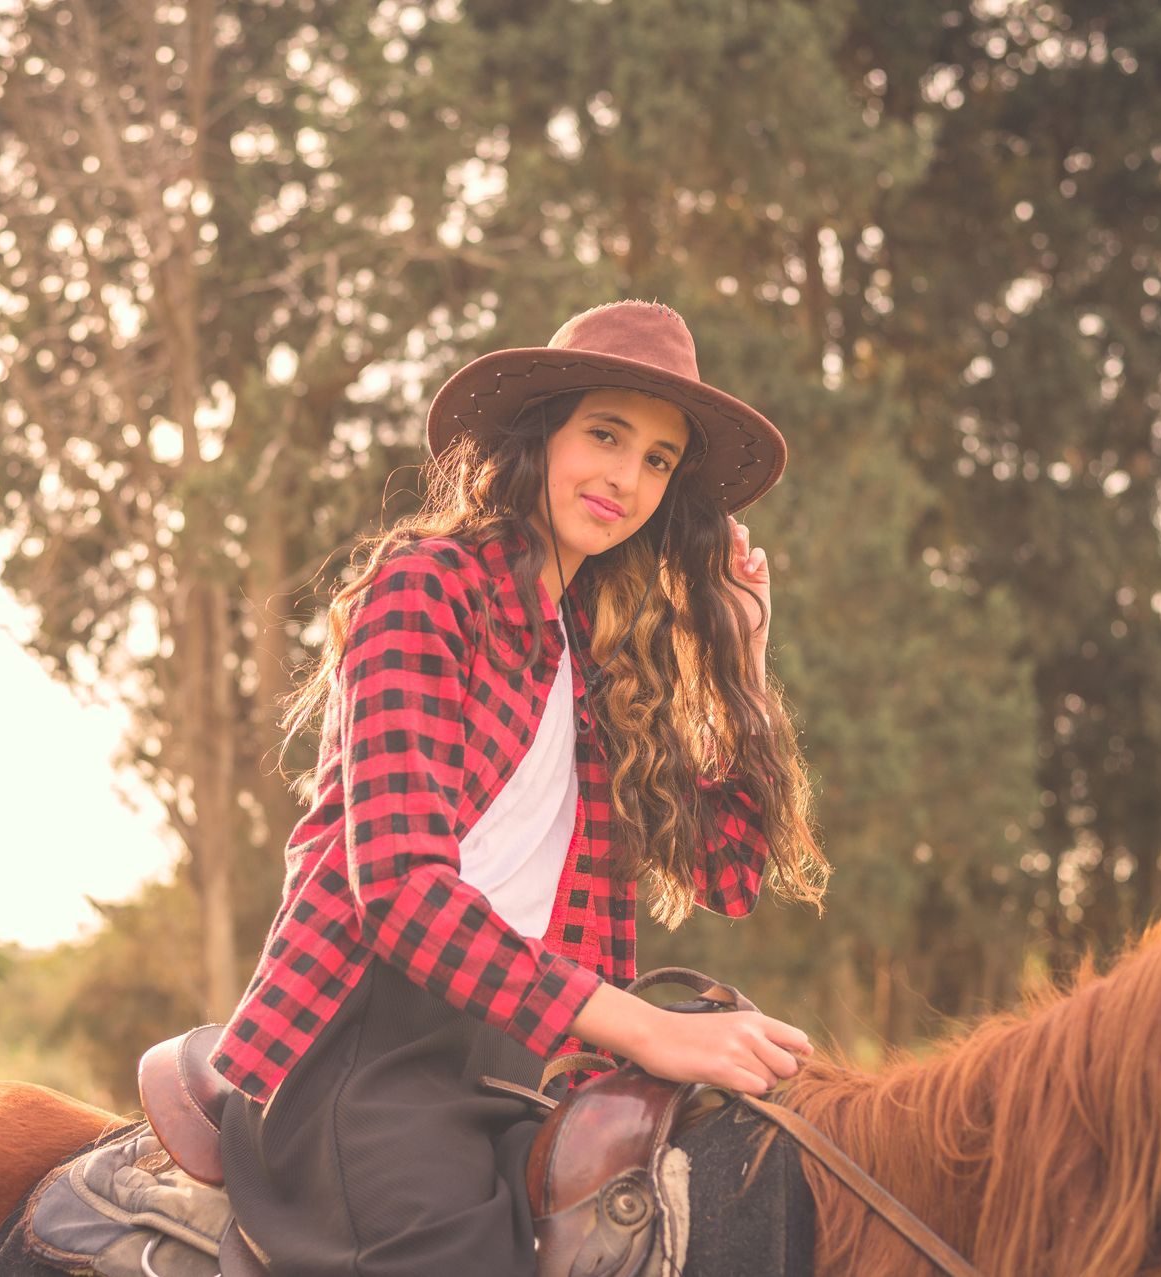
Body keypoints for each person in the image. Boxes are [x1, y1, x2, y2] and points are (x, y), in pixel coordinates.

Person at [209, 299, 831, 1276]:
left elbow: (730, 870)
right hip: (355, 1060)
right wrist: (649, 1028)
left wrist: (741, 660)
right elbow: (404, 894)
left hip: (514, 1070)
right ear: (541, 434)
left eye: (660, 459)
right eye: (607, 434)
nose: (627, 477)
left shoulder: (596, 661)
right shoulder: (423, 589)